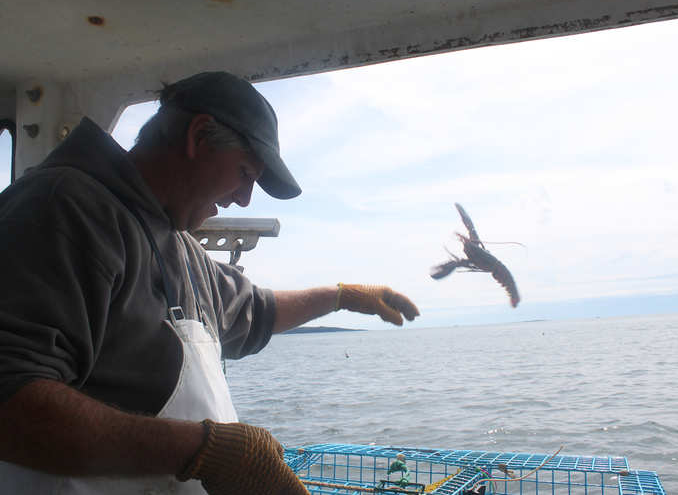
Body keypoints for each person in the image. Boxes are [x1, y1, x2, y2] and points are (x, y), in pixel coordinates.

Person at [0, 71, 420, 494]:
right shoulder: (63, 207)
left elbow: (255, 311)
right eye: (244, 173)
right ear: (198, 136)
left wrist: (341, 296)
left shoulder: (175, 240)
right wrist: (203, 451)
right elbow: (9, 401)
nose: (244, 198)